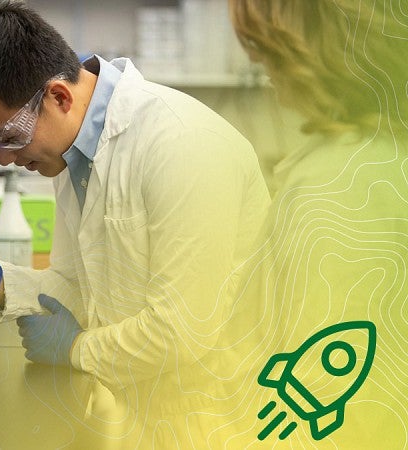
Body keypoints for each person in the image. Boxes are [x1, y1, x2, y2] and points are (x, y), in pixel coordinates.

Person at [0, 0, 270, 445]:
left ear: (59, 97)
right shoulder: (74, 156)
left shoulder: (183, 145)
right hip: (136, 416)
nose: (4, 159)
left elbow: (184, 330)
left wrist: (75, 349)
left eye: (8, 137)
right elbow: (81, 289)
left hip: (215, 420)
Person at [160, 1, 408, 448]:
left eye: (266, 45)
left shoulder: (340, 184)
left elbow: (318, 389)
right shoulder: (376, 155)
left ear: (319, 45)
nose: (255, 59)